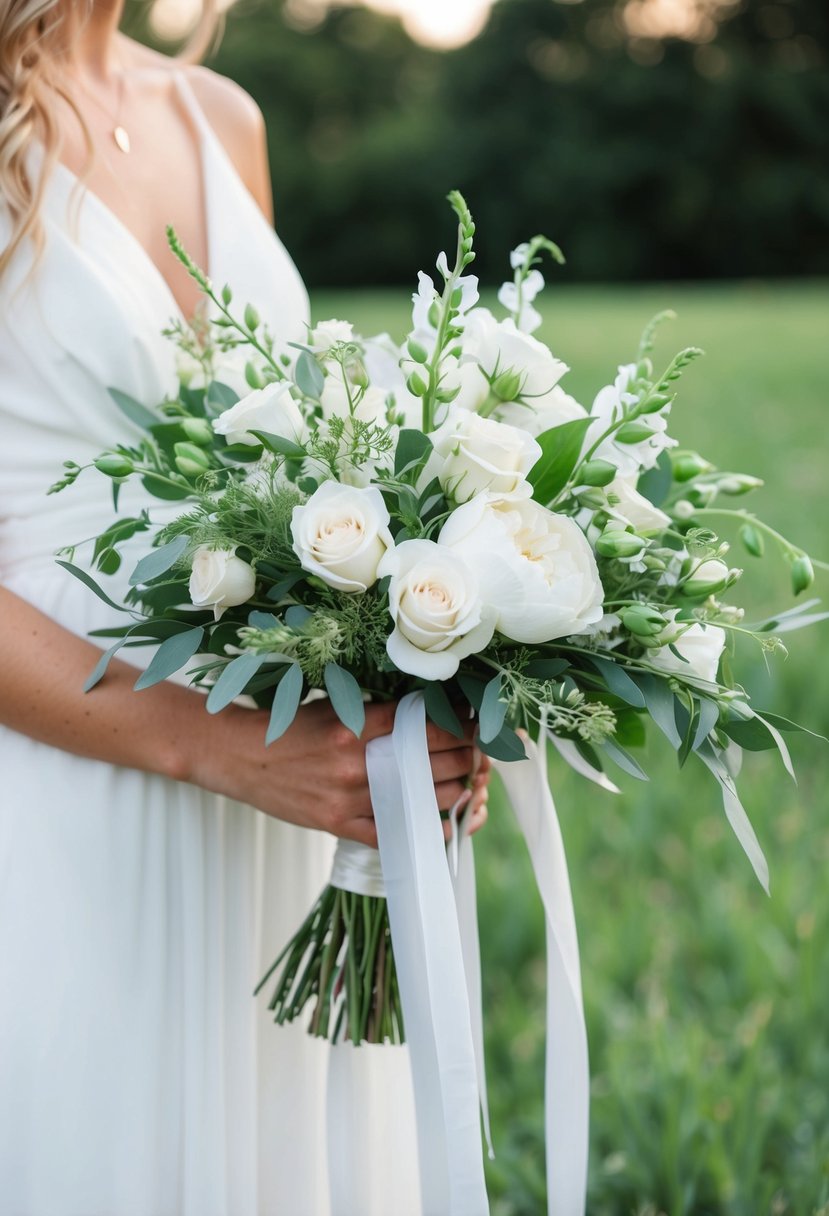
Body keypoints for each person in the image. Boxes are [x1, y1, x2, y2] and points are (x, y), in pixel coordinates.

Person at [0, 2, 490, 1212]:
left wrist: (411, 695)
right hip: (58, 784)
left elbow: (277, 466)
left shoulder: (223, 116)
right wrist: (210, 745)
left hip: (274, 790)